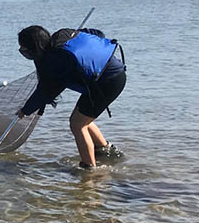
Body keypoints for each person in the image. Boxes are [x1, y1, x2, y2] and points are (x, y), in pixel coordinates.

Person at [16, 25, 126, 168]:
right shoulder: (64, 34)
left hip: (107, 82)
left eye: (23, 49)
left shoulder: (54, 62)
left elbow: (46, 91)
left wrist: (25, 110)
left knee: (77, 124)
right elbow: (98, 33)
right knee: (83, 118)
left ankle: (89, 168)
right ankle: (105, 150)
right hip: (114, 73)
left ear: (33, 48)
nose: (22, 52)